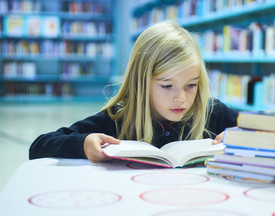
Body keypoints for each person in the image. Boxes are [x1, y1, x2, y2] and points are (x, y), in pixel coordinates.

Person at [29, 21, 238, 163]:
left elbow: (264, 129)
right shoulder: (118, 118)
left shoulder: (211, 111)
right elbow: (39, 146)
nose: (181, 98)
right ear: (141, 82)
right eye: (167, 86)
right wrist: (83, 144)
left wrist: (245, 136)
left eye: (191, 85)